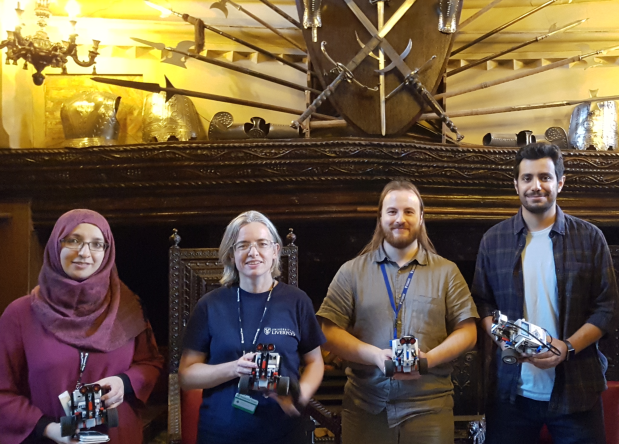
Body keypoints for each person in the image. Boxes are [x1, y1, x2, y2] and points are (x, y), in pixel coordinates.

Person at [471, 142, 619, 444]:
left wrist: (567, 347)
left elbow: (608, 307)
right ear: (516, 184)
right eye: (527, 178)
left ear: (560, 182)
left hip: (577, 391)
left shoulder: (590, 237)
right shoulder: (493, 240)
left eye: (545, 177)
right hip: (511, 395)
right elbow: (482, 303)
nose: (536, 186)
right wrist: (505, 339)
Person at [317, 180, 478, 444]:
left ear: (422, 217)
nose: (399, 219)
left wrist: (428, 360)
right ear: (380, 217)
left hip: (430, 407)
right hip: (366, 405)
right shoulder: (351, 271)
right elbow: (329, 332)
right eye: (392, 211)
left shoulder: (447, 272)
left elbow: (468, 332)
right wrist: (376, 356)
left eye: (409, 211)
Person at [0, 209, 163, 444]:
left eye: (97, 244)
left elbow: (151, 363)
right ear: (56, 245)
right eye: (74, 240)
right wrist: (48, 428)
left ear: (107, 253)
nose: (85, 253)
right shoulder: (20, 314)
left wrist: (124, 382)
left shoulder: (127, 308)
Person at [179, 211, 325, 444]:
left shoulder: (297, 301)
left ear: (276, 251)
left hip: (284, 432)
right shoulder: (210, 305)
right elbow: (186, 376)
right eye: (243, 245)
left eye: (262, 244)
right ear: (231, 254)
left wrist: (300, 397)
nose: (253, 252)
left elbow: (315, 362)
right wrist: (235, 368)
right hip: (221, 433)